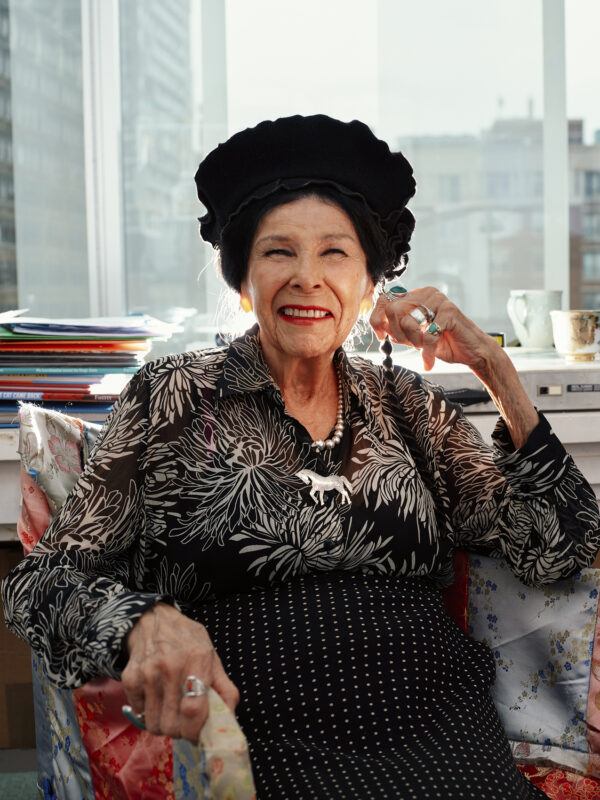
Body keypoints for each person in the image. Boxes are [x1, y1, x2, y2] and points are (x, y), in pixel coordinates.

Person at [3, 114, 600, 799]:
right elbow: (40, 584)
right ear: (242, 280)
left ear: (371, 285)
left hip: (443, 737)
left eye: (336, 254)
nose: (307, 279)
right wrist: (144, 621)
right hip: (265, 748)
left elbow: (560, 548)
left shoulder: (408, 404)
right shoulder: (172, 397)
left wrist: (498, 373)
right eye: (279, 252)